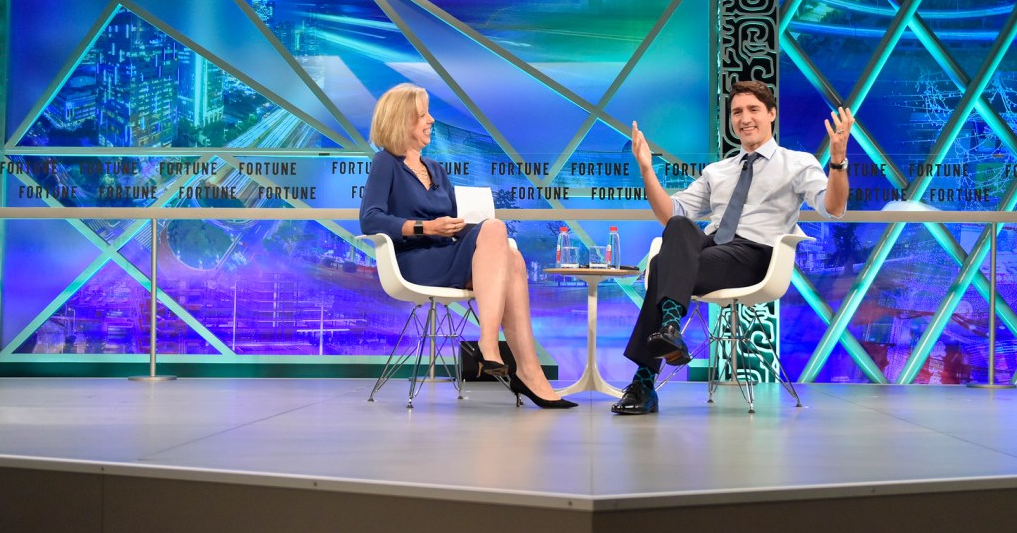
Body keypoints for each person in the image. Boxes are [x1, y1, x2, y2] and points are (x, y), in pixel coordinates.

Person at [613, 80, 854, 414]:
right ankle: (669, 329)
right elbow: (670, 214)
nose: (744, 118)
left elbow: (834, 208)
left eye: (753, 109)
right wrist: (646, 170)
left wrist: (838, 162)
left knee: (663, 269)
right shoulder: (718, 170)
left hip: (756, 255)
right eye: (737, 112)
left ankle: (645, 379)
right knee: (680, 226)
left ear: (771, 114)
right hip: (712, 249)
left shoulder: (797, 163)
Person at [359, 83, 574, 410]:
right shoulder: (385, 163)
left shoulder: (437, 170)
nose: (431, 120)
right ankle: (492, 344)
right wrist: (425, 227)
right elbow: (371, 218)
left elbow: (452, 219)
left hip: (447, 252)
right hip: (415, 261)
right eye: (423, 115)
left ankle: (529, 371)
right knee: (496, 231)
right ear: (402, 121)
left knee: (513, 258)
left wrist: (452, 227)